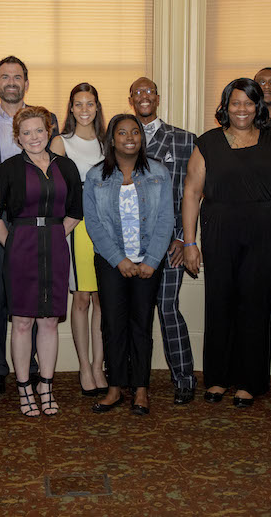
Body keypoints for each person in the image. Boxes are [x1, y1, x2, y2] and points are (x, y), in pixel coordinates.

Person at [183, 78, 271, 407]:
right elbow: (191, 193)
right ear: (225, 105)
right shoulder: (208, 143)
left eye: (249, 102)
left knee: (256, 305)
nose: (242, 109)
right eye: (235, 102)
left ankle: (249, 381)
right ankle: (217, 377)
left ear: (259, 106)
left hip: (265, 231)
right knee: (220, 303)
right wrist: (190, 242)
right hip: (219, 231)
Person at [84, 114, 173, 416]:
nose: (130, 137)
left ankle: (141, 389)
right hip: (111, 263)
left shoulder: (159, 173)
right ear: (112, 139)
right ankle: (114, 388)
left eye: (135, 132)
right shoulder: (96, 176)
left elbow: (165, 220)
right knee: (113, 325)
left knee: (141, 325)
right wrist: (118, 259)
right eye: (122, 133)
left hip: (149, 263)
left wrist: (152, 260)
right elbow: (93, 224)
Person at [0, 56, 59, 397]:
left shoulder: (48, 119)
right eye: (4, 77)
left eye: (17, 77)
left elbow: (59, 171)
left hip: (38, 222)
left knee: (38, 302)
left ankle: (35, 371)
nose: (11, 82)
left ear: (27, 82)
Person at [0, 106, 82, 417]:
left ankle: (46, 385)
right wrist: (14, 242)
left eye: (39, 131)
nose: (34, 137)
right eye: (26, 132)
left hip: (56, 248)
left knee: (48, 321)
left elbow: (75, 210)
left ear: (49, 132)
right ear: (18, 137)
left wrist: (56, 234)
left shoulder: (66, 167)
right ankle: (23, 388)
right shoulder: (7, 170)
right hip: (21, 248)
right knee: (21, 323)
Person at [128, 77, 198, 405]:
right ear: (131, 99)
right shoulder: (121, 139)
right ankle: (131, 376)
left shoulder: (184, 140)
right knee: (133, 312)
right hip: (130, 246)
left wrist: (185, 239)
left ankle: (183, 377)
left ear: (157, 97)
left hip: (170, 244)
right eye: (137, 93)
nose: (144, 97)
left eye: (149, 91)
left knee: (167, 308)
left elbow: (193, 194)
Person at [49, 83, 107, 396]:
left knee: (103, 299)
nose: (84, 109)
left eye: (90, 103)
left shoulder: (108, 142)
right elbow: (54, 189)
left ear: (97, 107)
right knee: (82, 298)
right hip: (77, 226)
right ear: (70, 109)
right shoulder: (61, 142)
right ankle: (84, 366)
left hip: (107, 227)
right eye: (78, 104)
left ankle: (99, 365)